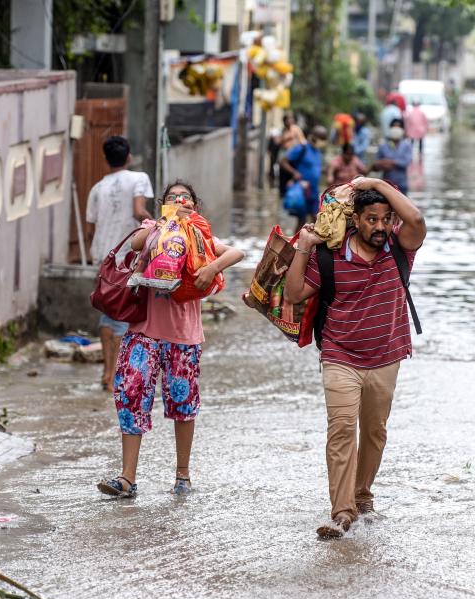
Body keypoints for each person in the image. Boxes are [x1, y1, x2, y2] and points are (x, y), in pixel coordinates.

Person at [284, 176, 426, 539]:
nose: (379, 227)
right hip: (339, 354)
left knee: (375, 431)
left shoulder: (400, 248)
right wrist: (302, 247)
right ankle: (342, 512)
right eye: (371, 219)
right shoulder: (329, 255)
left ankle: (363, 495)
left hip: (386, 355)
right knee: (343, 428)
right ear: (356, 220)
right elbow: (295, 293)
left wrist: (377, 182)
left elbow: (417, 220)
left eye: (385, 219)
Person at [97, 180, 244, 498]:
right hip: (144, 331)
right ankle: (127, 478)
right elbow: (135, 244)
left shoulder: (201, 236)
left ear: (195, 205)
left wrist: (212, 268)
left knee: (183, 403)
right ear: (163, 203)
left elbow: (238, 252)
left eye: (186, 197)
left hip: (184, 337)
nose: (180, 200)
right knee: (131, 395)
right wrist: (161, 225)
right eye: (173, 197)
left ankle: (182, 475)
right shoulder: (153, 227)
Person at [85, 136, 154, 390]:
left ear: (106, 160)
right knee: (125, 311)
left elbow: (90, 228)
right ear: (129, 157)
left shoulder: (97, 188)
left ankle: (107, 371)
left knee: (107, 309)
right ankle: (118, 374)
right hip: (129, 254)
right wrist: (158, 226)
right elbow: (138, 211)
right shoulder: (139, 178)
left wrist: (99, 253)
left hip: (104, 254)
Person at [278, 125, 328, 234]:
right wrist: (294, 172)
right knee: (302, 221)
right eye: (321, 139)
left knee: (316, 220)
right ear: (314, 137)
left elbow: (315, 168)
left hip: (313, 191)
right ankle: (295, 245)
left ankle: (311, 247)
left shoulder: (318, 152)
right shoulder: (302, 148)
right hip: (302, 190)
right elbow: (283, 161)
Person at [372, 118, 413, 194]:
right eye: (394, 127)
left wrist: (391, 162)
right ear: (390, 128)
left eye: (399, 127)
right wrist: (382, 164)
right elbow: (376, 165)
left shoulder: (406, 145)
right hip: (386, 184)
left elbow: (407, 162)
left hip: (402, 184)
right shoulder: (383, 145)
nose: (396, 129)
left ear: (402, 129)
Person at [275, 113, 306, 198]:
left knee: (293, 176)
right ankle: (282, 194)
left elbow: (303, 141)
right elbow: (278, 142)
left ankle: (292, 195)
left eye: (290, 119)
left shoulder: (296, 129)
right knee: (282, 177)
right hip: (284, 156)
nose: (289, 121)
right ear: (284, 121)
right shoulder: (282, 131)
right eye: (287, 120)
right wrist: (284, 139)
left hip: (293, 157)